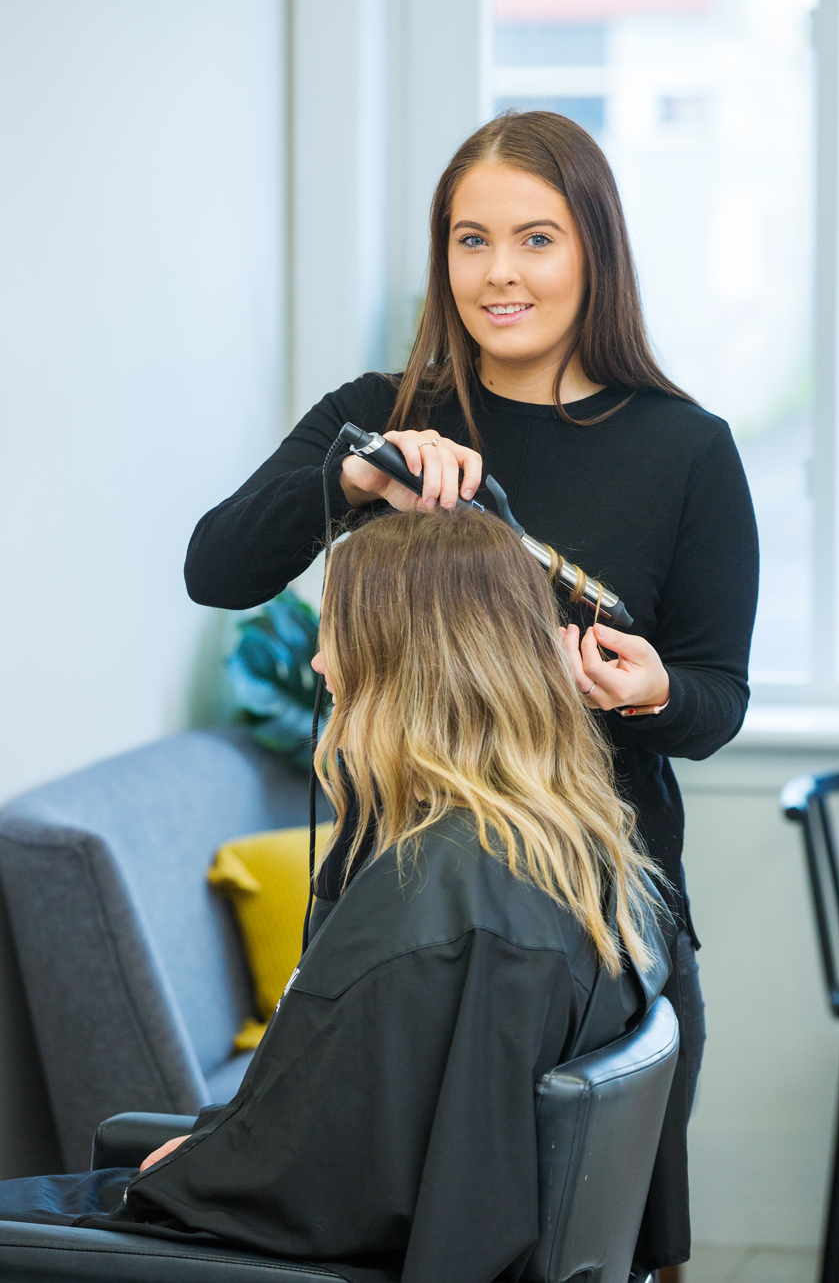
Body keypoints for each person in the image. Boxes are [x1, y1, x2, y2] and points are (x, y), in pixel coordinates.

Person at [185, 109, 760, 1275]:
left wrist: (649, 692)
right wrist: (348, 476)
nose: (500, 273)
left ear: (594, 251)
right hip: (422, 916)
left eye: (536, 239)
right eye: (470, 239)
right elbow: (217, 568)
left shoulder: (685, 449)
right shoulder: (387, 408)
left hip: (595, 916)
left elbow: (717, 700)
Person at [0, 509, 672, 1283]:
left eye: (337, 636)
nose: (319, 663)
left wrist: (196, 1167)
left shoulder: (438, 898)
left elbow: (314, 1187)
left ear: (403, 660)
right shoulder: (574, 849)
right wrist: (219, 1148)